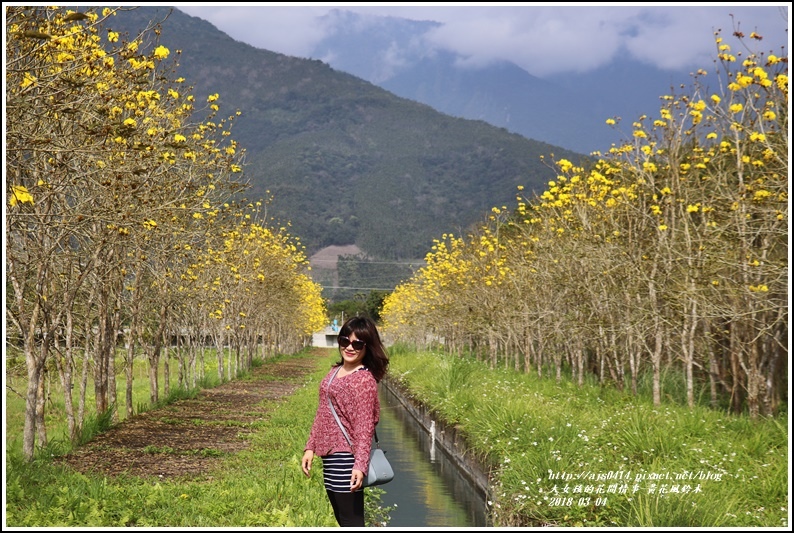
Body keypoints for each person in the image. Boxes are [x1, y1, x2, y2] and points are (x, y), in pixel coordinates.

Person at [302, 316, 390, 527]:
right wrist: (310, 447)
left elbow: (365, 426)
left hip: (347, 459)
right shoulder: (334, 372)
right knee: (343, 519)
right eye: (345, 341)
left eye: (357, 343)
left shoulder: (363, 380)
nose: (350, 347)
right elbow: (323, 412)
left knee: (351, 520)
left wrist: (359, 465)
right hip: (330, 457)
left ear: (367, 347)